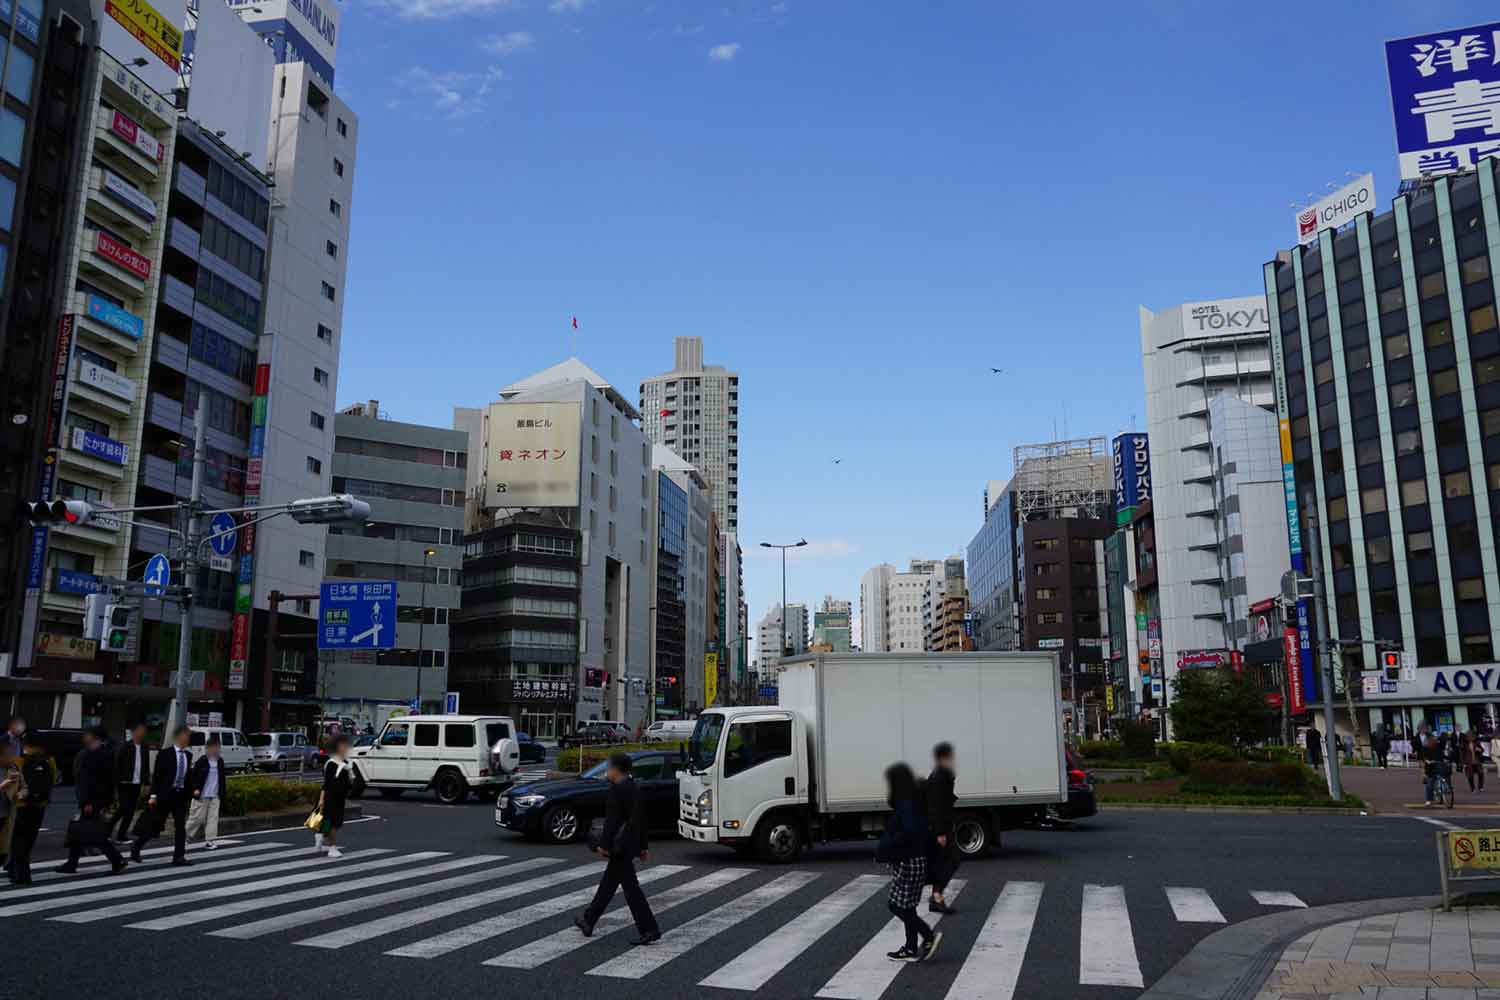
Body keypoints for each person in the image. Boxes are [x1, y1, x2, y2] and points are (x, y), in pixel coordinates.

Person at [573, 752, 659, 945]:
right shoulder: (634, 787)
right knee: (609, 884)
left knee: (631, 889)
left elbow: (611, 822)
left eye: (608, 767)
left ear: (615, 769)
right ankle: (589, 920)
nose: (606, 771)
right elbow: (641, 820)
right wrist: (643, 846)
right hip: (630, 844)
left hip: (619, 846)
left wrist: (604, 845)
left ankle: (650, 929)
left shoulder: (616, 790)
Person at [879, 762, 941, 963]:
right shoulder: (911, 799)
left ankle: (928, 935)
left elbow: (910, 831)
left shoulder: (906, 802)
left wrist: (888, 847)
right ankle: (911, 947)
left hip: (909, 861)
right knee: (908, 906)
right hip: (913, 859)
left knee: (896, 906)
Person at [58, 728, 126, 875]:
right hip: (98, 799)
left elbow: (89, 781)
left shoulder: (94, 754)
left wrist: (86, 801)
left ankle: (117, 859)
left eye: (88, 736)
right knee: (81, 830)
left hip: (92, 801)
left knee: (92, 832)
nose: (85, 738)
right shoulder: (107, 753)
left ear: (95, 738)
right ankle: (72, 863)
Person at [133, 725, 192, 865]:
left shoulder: (188, 755)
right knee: (155, 825)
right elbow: (157, 777)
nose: (188, 738)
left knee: (180, 827)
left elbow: (188, 777)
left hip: (180, 796)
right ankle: (136, 846)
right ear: (179, 736)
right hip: (165, 795)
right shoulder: (165, 754)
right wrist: (153, 796)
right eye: (186, 735)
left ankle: (179, 857)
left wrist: (190, 792)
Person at [8, 735, 56, 885]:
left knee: (17, 840)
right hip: (40, 805)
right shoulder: (50, 760)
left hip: (21, 806)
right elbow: (52, 781)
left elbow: (11, 785)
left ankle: (21, 875)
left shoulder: (17, 761)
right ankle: (14, 867)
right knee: (29, 839)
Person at [925, 742, 959, 915]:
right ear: (944, 757)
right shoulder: (939, 776)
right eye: (950, 756)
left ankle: (936, 897)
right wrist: (940, 832)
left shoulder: (941, 774)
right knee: (952, 861)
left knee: (944, 862)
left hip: (943, 826)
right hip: (940, 828)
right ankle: (936, 897)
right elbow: (935, 805)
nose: (953, 759)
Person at [185, 736, 227, 849]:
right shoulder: (202, 761)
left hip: (215, 794)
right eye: (215, 747)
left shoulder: (220, 761)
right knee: (197, 818)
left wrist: (222, 793)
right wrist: (195, 789)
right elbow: (193, 777)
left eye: (218, 747)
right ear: (208, 748)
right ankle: (185, 837)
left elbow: (222, 778)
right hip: (202, 795)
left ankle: (210, 841)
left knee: (213, 818)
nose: (217, 750)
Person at [112, 723, 150, 843]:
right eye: (139, 731)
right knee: (123, 808)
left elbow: (146, 766)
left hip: (137, 783)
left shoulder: (144, 747)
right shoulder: (125, 747)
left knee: (130, 810)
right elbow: (117, 765)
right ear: (134, 732)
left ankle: (121, 836)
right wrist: (116, 781)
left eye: (143, 731)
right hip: (124, 782)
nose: (141, 733)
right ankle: (106, 831)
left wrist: (147, 783)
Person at [316, 734, 353, 857]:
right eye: (343, 746)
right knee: (331, 822)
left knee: (335, 822)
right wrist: (321, 800)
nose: (345, 748)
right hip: (330, 797)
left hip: (341, 798)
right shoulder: (331, 764)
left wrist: (349, 775)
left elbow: (349, 783)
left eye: (346, 746)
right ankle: (332, 848)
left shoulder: (347, 763)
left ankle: (321, 834)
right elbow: (326, 784)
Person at [1424, 735, 1454, 807]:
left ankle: (1447, 789)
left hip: (1440, 766)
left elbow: (1444, 756)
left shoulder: (1440, 747)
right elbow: (1425, 758)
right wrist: (1428, 761)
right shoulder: (1427, 748)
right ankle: (1429, 799)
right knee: (1430, 784)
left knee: (1445, 777)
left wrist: (1448, 759)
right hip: (1432, 767)